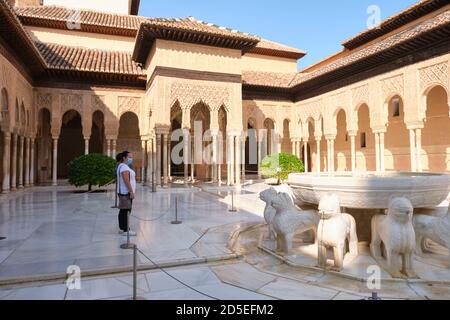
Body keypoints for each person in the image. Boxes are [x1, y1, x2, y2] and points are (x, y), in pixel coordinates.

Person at [116, 151, 137, 236]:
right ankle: (126, 229)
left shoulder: (122, 166)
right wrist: (131, 191)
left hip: (123, 192)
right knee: (126, 210)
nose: (131, 159)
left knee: (123, 210)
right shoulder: (124, 167)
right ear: (124, 158)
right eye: (129, 157)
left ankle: (122, 227)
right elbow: (126, 180)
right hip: (126, 192)